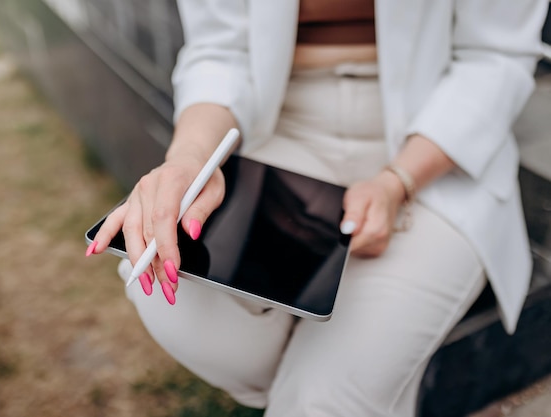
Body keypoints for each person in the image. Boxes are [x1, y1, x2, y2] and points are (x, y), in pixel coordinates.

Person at [89, 1, 547, 415]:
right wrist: (190, 158)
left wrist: (397, 181)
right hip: (276, 131)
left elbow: (496, 57)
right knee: (191, 318)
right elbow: (218, 49)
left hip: (436, 147)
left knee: (323, 400)